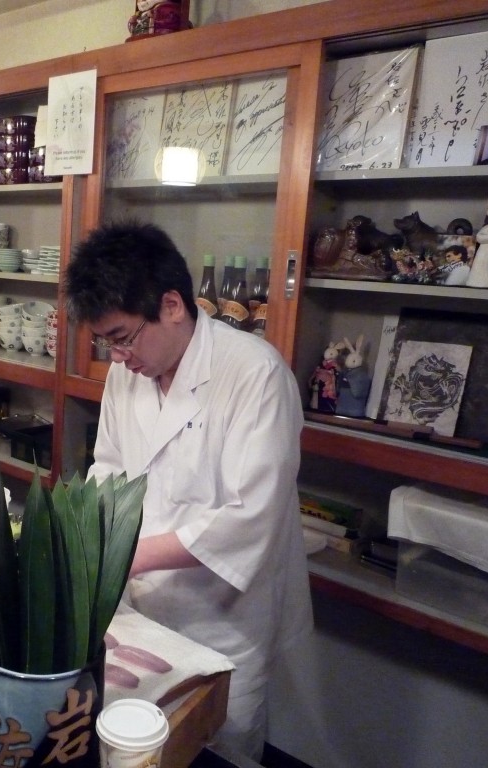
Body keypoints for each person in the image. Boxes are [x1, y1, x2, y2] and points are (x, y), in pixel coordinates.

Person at [63, 221, 313, 758]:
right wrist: (89, 538)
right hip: (140, 610)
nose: (119, 356)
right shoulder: (126, 373)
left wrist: (130, 554)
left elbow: (251, 515)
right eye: (107, 343)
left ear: (172, 305)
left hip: (223, 618)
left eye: (125, 337)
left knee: (219, 746)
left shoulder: (255, 374)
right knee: (138, 746)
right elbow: (107, 467)